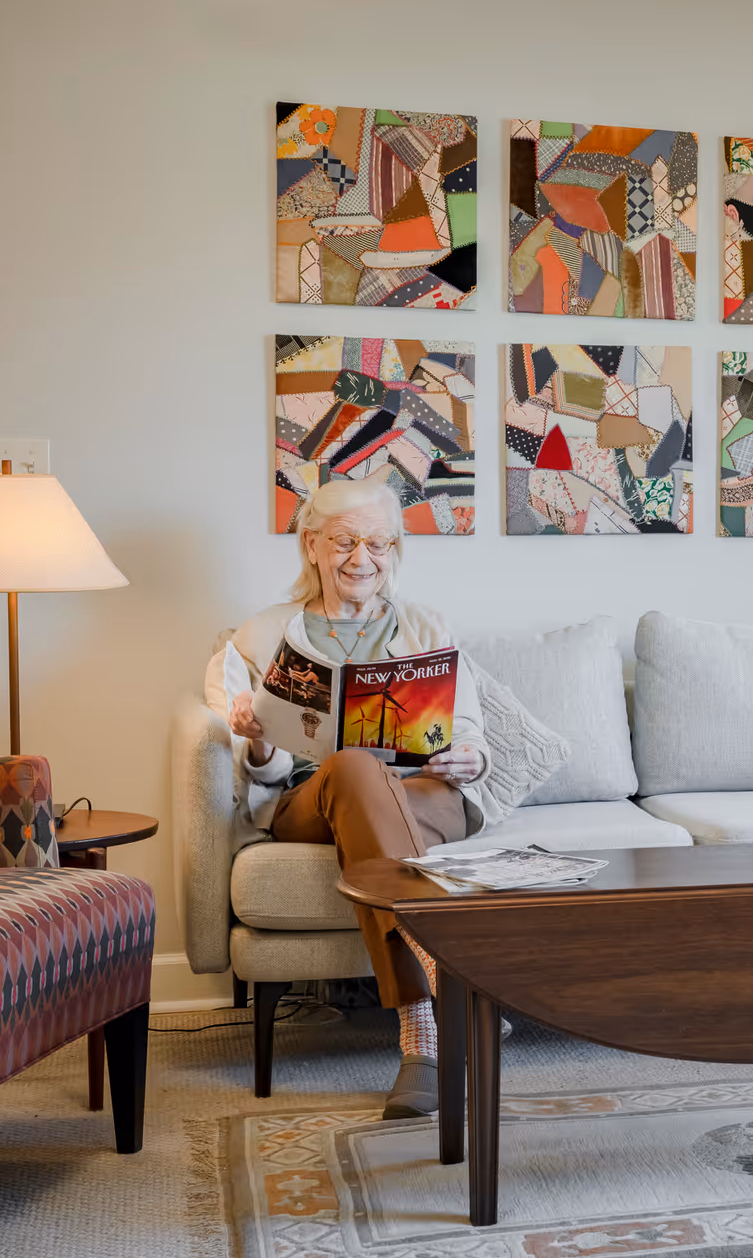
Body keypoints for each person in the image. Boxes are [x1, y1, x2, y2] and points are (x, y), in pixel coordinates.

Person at [207, 476, 491, 1118]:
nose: (362, 557)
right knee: (354, 766)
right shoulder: (262, 636)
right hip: (314, 802)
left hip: (424, 794)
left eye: (378, 542)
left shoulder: (426, 626)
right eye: (344, 541)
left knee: (374, 776)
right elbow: (257, 770)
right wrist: (255, 740)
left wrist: (469, 757)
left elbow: (469, 730)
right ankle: (434, 1011)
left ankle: (427, 1024)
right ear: (311, 545)